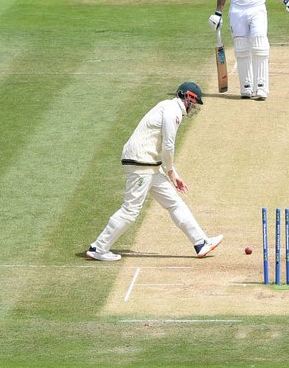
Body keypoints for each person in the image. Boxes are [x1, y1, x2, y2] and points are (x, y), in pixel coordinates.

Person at [86, 82, 224, 261]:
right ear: (188, 97)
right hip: (141, 163)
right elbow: (168, 145)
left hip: (149, 164)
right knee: (130, 210)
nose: (194, 107)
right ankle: (99, 247)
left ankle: (200, 242)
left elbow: (161, 146)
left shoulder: (167, 106)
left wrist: (173, 172)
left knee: (174, 202)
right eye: (194, 102)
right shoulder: (173, 111)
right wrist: (171, 171)